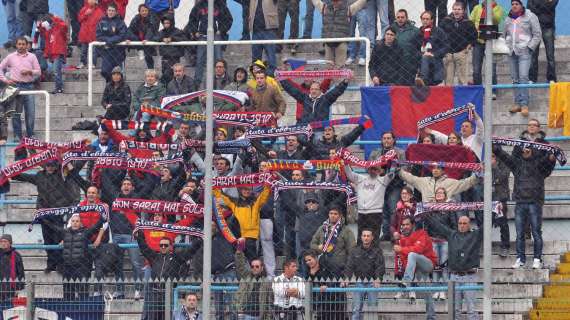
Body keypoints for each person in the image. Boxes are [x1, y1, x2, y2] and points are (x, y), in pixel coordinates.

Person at [493, 143, 555, 270]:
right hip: (520, 202)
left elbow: (549, 162)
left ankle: (537, 259)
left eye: (528, 148)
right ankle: (520, 259)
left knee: (536, 232)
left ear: (532, 150)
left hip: (535, 202)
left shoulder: (539, 164)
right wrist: (496, 148)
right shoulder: (516, 164)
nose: (526, 150)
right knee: (520, 233)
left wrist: (551, 157)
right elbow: (504, 156)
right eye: (524, 148)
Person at [12, 160, 82, 273]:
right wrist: (11, 173)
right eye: (48, 165)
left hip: (57, 213)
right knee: (47, 241)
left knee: (58, 239)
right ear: (45, 166)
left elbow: (74, 168)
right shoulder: (39, 176)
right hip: (44, 213)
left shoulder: (62, 175)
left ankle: (59, 264)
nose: (50, 167)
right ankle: (51, 264)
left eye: (52, 165)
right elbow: (25, 177)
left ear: (56, 166)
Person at [425, 215, 483, 320]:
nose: (462, 225)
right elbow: (437, 225)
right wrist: (425, 214)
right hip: (454, 277)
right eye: (460, 223)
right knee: (455, 310)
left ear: (469, 224)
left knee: (471, 309)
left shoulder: (475, 235)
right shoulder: (452, 234)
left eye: (464, 223)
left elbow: (486, 226)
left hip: (469, 276)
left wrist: (495, 211)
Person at [136, 232, 202, 320]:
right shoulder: (154, 257)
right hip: (154, 293)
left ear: (170, 246)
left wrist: (199, 240)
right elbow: (144, 248)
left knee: (167, 317)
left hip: (168, 293)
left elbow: (190, 251)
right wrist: (138, 237)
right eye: (161, 245)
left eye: (165, 245)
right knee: (153, 317)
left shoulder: (176, 258)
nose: (163, 247)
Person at [45, 214, 105, 301]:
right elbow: (53, 227)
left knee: (83, 292)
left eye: (77, 221)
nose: (75, 223)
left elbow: (97, 226)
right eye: (73, 221)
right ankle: (68, 311)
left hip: (81, 267)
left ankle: (83, 311)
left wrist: (102, 218)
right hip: (67, 266)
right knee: (68, 293)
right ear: (70, 222)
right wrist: (43, 219)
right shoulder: (65, 232)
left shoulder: (86, 232)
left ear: (81, 223)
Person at [504, 0, 542, 117]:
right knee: (514, 78)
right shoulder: (508, 18)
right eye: (513, 4)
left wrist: (530, 48)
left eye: (517, 4)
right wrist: (506, 45)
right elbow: (504, 34)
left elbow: (537, 34)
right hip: (512, 52)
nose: (514, 6)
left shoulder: (530, 16)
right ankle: (517, 103)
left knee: (523, 76)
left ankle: (524, 104)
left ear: (521, 5)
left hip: (524, 51)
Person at [214, 184, 272, 260]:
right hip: (236, 237)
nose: (247, 191)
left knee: (252, 260)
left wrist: (268, 185)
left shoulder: (255, 201)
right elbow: (221, 196)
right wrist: (214, 186)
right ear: (240, 190)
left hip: (251, 237)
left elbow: (265, 195)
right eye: (244, 189)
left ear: (251, 190)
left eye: (249, 189)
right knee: (237, 261)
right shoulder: (234, 202)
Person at [393, 217, 436, 319]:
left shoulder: (422, 233)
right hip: (417, 269)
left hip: (428, 263)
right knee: (427, 293)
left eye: (407, 224)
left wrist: (402, 249)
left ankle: (406, 282)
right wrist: (399, 246)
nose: (405, 227)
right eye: (403, 225)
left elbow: (418, 249)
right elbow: (404, 260)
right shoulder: (402, 240)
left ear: (413, 225)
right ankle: (431, 317)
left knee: (412, 254)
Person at [0, 36, 41, 143]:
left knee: (30, 113)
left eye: (23, 44)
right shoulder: (10, 57)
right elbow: (0, 67)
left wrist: (29, 71)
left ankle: (30, 135)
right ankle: (17, 136)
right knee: (15, 113)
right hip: (15, 87)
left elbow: (39, 71)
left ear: (27, 45)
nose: (21, 46)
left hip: (29, 87)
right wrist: (5, 80)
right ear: (16, 45)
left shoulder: (32, 56)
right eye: (19, 44)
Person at [110, 178, 144, 300]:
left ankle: (138, 290)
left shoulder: (137, 200)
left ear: (132, 187)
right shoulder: (114, 200)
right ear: (120, 187)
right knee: (117, 264)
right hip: (116, 236)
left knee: (135, 263)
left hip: (131, 236)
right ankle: (119, 291)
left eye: (129, 184)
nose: (126, 186)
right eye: (124, 184)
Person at [186, 0, 232, 89]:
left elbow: (229, 19)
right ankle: (197, 84)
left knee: (219, 60)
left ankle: (222, 81)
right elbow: (192, 20)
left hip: (216, 35)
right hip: (202, 36)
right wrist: (195, 31)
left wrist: (221, 30)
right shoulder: (199, 5)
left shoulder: (220, 5)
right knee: (200, 60)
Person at [370, 131, 406, 241]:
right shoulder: (375, 153)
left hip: (395, 185)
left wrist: (395, 171)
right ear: (381, 140)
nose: (386, 140)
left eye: (389, 138)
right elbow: (369, 168)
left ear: (393, 140)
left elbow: (406, 168)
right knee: (383, 210)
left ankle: (393, 234)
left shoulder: (400, 152)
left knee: (393, 210)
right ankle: (385, 233)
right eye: (384, 138)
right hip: (380, 186)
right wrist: (378, 171)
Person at [345, 163, 394, 241]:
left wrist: (394, 165)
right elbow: (349, 174)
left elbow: (392, 174)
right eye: (371, 169)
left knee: (374, 238)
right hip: (361, 213)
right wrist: (345, 163)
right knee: (361, 238)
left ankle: (375, 252)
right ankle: (360, 252)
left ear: (379, 171)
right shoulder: (361, 178)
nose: (372, 171)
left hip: (375, 213)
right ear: (368, 169)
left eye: (375, 169)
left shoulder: (383, 180)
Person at [343, 228, 385, 320]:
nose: (366, 238)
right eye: (364, 236)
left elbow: (380, 266)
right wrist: (347, 278)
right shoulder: (355, 251)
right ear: (361, 237)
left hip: (372, 283)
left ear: (372, 238)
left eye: (368, 236)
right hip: (359, 282)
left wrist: (378, 278)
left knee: (372, 310)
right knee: (356, 309)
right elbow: (349, 266)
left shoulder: (377, 251)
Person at [311, 0, 367, 67]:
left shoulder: (348, 9)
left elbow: (359, 4)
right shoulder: (325, 8)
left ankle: (339, 76)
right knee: (328, 67)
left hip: (341, 42)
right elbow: (315, 2)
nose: (335, 2)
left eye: (337, 1)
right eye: (334, 1)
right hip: (328, 41)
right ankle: (329, 77)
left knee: (339, 68)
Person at [280, 76, 349, 124]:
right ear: (310, 90)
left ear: (320, 90)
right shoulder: (304, 98)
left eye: (316, 89)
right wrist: (281, 79)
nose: (314, 91)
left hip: (320, 130)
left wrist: (345, 82)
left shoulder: (325, 99)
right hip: (305, 129)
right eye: (312, 89)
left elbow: (336, 91)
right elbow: (291, 89)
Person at [470, 0, 504, 96]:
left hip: (490, 41)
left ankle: (492, 91)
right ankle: (478, 90)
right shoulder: (477, 8)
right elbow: (471, 20)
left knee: (491, 68)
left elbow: (497, 20)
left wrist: (490, 10)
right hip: (478, 41)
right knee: (476, 69)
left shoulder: (498, 8)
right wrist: (474, 29)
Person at [310, 207, 356, 276]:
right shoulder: (322, 228)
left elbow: (351, 250)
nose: (333, 215)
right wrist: (318, 248)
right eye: (331, 213)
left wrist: (347, 271)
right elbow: (312, 244)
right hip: (323, 265)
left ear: (340, 216)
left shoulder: (346, 230)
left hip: (339, 267)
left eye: (335, 214)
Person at [440, 2, 477, 85]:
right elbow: (439, 35)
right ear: (452, 10)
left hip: (461, 53)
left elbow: (474, 37)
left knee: (462, 80)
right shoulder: (445, 21)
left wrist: (468, 47)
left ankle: (463, 97)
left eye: (459, 9)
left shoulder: (468, 23)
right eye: (455, 9)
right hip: (448, 54)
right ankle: (448, 97)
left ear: (463, 11)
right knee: (448, 81)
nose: (456, 11)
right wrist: (444, 49)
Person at [399, 165, 479, 202]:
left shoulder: (450, 182)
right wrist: (399, 171)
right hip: (427, 214)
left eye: (438, 168)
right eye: (433, 168)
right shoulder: (424, 181)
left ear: (443, 171)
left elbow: (465, 183)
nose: (435, 170)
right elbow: (411, 178)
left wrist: (476, 175)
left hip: (443, 213)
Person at [304, 249, 346, 320]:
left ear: (316, 258)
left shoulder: (327, 263)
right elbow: (308, 284)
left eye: (309, 260)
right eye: (306, 261)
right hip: (322, 300)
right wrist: (312, 274)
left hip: (336, 296)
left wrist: (328, 286)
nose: (308, 262)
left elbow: (337, 277)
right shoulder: (308, 269)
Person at [234, 250, 274, 319]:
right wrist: (239, 252)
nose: (254, 268)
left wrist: (268, 317)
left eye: (257, 266)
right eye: (252, 266)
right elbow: (240, 265)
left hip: (259, 316)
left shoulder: (267, 282)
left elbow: (269, 302)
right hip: (245, 315)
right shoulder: (246, 277)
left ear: (262, 268)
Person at [415, 10, 449, 87]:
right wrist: (421, 54)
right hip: (421, 58)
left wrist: (434, 54)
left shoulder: (439, 31)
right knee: (425, 57)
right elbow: (413, 48)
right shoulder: (418, 32)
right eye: (423, 19)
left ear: (432, 20)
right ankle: (424, 80)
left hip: (436, 58)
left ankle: (434, 81)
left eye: (427, 19)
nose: (425, 21)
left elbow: (446, 46)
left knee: (431, 58)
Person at [96, 3, 128, 82]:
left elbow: (122, 35)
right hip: (107, 52)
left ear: (116, 12)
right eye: (109, 10)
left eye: (113, 11)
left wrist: (109, 41)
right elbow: (99, 36)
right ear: (106, 11)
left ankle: (119, 90)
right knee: (105, 72)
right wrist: (109, 40)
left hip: (118, 52)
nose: (110, 12)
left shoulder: (120, 22)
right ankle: (110, 87)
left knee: (118, 74)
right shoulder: (101, 22)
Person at [296, 194, 327, 275]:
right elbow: (290, 204)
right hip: (304, 247)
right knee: (304, 265)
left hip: (317, 247)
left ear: (318, 204)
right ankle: (305, 280)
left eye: (313, 202)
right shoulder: (301, 213)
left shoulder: (322, 213)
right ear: (305, 205)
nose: (311, 204)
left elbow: (335, 203)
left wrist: (343, 191)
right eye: (308, 202)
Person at [528, 0, 558, 83]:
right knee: (533, 55)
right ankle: (532, 78)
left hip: (548, 27)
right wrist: (545, 3)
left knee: (550, 55)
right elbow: (530, 9)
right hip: (535, 27)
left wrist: (538, 5)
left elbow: (551, 6)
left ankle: (551, 78)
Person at [154, 15, 187, 85]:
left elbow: (184, 38)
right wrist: (162, 39)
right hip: (165, 57)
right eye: (164, 23)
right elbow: (155, 38)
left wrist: (172, 39)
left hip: (174, 57)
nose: (166, 25)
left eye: (168, 23)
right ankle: (166, 89)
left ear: (171, 23)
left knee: (171, 74)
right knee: (165, 73)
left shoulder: (177, 31)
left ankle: (164, 86)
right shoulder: (162, 32)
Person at [248, 0, 279, 73]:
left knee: (271, 57)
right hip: (255, 30)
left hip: (269, 29)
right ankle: (257, 78)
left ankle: (271, 78)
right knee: (255, 59)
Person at [391, 9, 420, 85]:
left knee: (410, 89)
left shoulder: (415, 31)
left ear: (406, 18)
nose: (400, 19)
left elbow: (419, 47)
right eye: (398, 17)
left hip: (410, 64)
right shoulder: (391, 30)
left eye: (402, 17)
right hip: (395, 65)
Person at [127, 3, 159, 69]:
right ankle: (140, 49)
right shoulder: (136, 18)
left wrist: (147, 39)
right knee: (129, 33)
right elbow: (130, 29)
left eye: (146, 10)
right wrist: (128, 38)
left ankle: (151, 70)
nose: (144, 12)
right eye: (142, 11)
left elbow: (151, 29)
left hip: (148, 39)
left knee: (148, 56)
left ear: (148, 11)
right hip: (139, 39)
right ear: (139, 12)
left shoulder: (152, 18)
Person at [492, 152, 511, 257]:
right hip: (485, 199)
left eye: (493, 156)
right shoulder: (482, 164)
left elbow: (503, 177)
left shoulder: (504, 164)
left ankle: (505, 246)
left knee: (503, 222)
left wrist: (494, 166)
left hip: (499, 199)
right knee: (483, 223)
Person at [346, 0, 376, 66]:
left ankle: (362, 57)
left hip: (361, 8)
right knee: (350, 33)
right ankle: (351, 56)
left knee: (363, 33)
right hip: (349, 8)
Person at [77, 0, 104, 69]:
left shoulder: (99, 11)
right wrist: (85, 14)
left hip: (94, 35)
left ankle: (93, 63)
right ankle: (83, 62)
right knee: (83, 50)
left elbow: (102, 22)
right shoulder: (84, 9)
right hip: (85, 34)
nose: (91, 1)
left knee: (94, 51)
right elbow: (79, 19)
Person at [0, 234, 25, 302]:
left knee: (9, 309)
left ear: (10, 243)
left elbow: (20, 272)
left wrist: (19, 288)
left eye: (5, 241)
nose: (3, 243)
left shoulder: (16, 255)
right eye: (1, 241)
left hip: (11, 288)